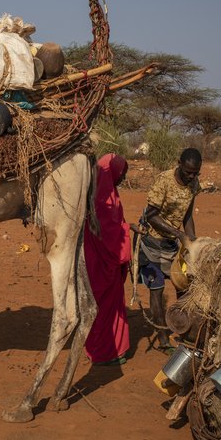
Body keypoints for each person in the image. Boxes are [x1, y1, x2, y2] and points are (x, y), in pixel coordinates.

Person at [138, 148, 202, 352]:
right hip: (152, 245)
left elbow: (188, 214)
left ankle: (185, 331)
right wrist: (179, 234)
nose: (191, 176)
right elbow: (151, 215)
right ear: (179, 163)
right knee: (157, 291)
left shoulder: (194, 185)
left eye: (196, 173)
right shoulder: (163, 181)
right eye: (188, 172)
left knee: (183, 287)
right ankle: (164, 339)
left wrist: (191, 240)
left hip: (172, 245)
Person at [83, 154, 132, 365]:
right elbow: (110, 234)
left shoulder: (102, 191)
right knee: (104, 306)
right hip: (104, 263)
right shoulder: (103, 199)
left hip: (97, 260)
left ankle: (102, 348)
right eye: (121, 174)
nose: (122, 178)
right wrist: (128, 231)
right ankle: (104, 352)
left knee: (103, 304)